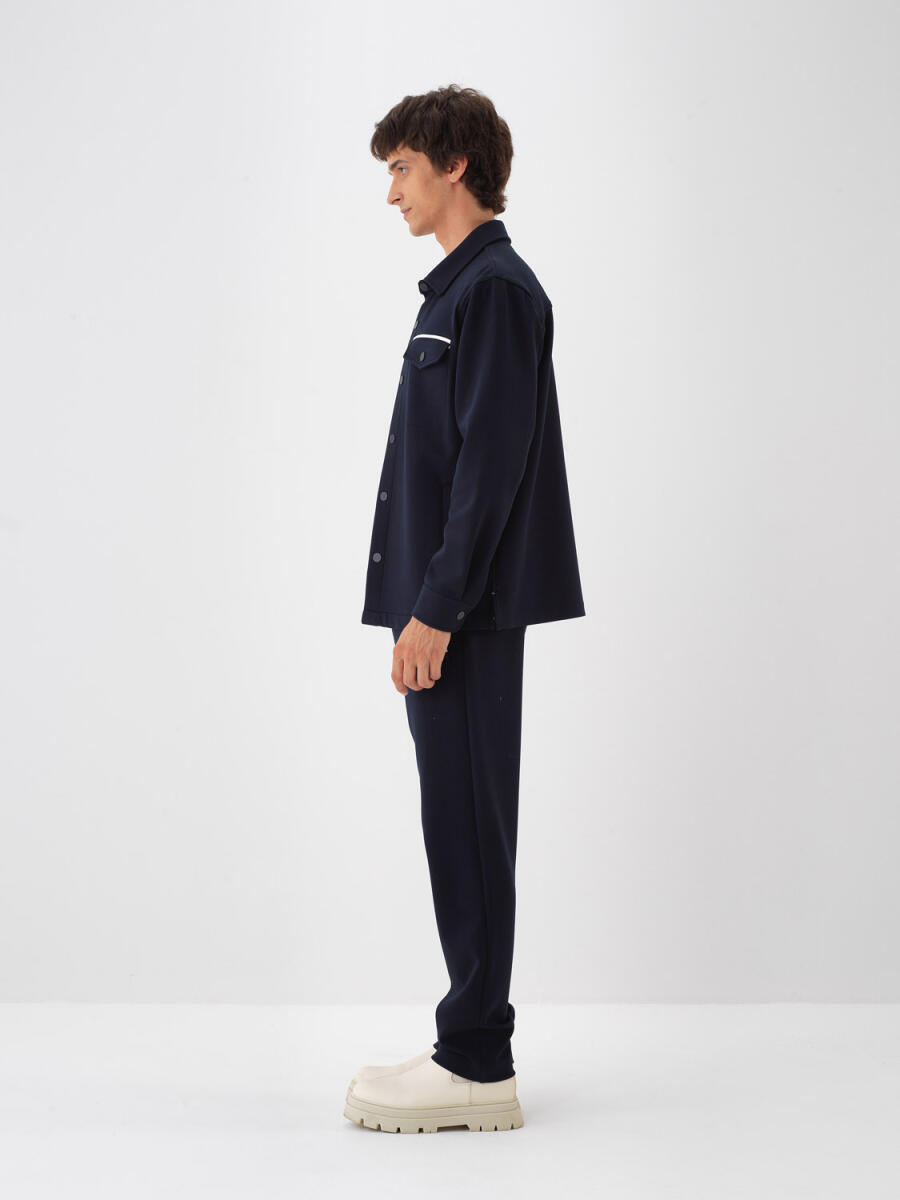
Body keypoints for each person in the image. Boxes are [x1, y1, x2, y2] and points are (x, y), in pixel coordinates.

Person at [344, 84, 585, 1134]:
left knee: (471, 827)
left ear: (454, 165)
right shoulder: (457, 292)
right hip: (447, 609)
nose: (391, 191)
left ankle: (479, 1061)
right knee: (456, 822)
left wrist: (435, 610)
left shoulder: (495, 292)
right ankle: (467, 1041)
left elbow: (489, 471)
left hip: (465, 616)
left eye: (401, 168)